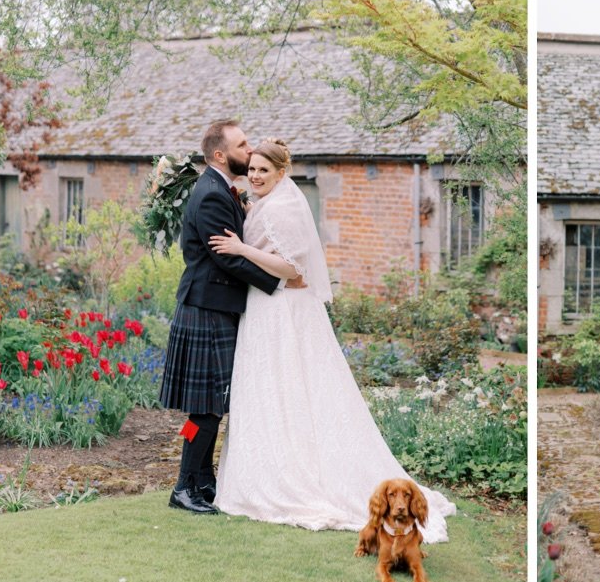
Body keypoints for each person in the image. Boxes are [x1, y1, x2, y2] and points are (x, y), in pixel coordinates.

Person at [208, 138, 456, 541]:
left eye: (263, 171)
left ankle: (293, 476)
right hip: (267, 308)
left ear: (281, 173)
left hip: (283, 311)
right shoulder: (269, 203)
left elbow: (291, 268)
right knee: (270, 388)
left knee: (288, 385)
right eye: (251, 169)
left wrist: (241, 249)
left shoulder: (285, 207)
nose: (254, 176)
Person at [160, 119, 290, 514]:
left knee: (205, 408)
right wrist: (278, 282)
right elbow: (227, 258)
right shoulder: (213, 194)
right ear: (220, 154)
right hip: (207, 311)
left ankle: (201, 479)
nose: (250, 151)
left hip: (207, 309)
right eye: (243, 145)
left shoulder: (220, 189)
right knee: (207, 408)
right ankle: (184, 486)